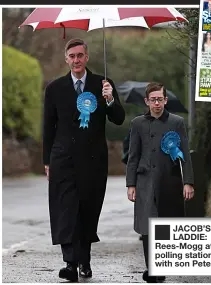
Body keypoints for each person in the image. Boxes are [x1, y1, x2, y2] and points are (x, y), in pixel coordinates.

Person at [43, 38, 125, 282]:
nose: (77, 60)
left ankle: (84, 261)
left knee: (86, 211)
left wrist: (110, 100)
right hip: (63, 159)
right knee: (65, 210)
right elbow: (48, 126)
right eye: (72, 56)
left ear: (87, 57)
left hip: (93, 160)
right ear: (66, 59)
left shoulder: (103, 84)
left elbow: (119, 119)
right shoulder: (54, 88)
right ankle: (70, 263)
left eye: (80, 55)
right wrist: (47, 160)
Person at [126, 82, 194, 283]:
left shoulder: (177, 122)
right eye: (153, 99)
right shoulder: (137, 123)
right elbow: (133, 156)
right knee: (147, 226)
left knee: (163, 225)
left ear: (166, 100)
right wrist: (131, 184)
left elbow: (185, 157)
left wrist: (188, 182)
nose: (157, 103)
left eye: (160, 99)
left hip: (169, 180)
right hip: (145, 181)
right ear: (147, 101)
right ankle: (152, 269)